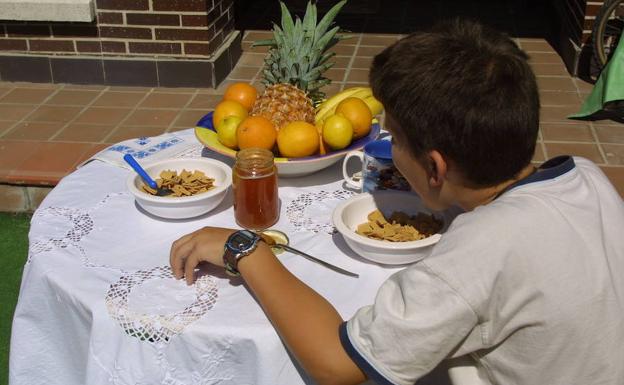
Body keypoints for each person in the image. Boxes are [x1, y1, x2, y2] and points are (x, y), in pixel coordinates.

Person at [170, 19, 624, 385]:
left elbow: (338, 366)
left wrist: (246, 250)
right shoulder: (586, 175)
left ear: (435, 168)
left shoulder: (479, 254)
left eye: (396, 141)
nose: (389, 150)